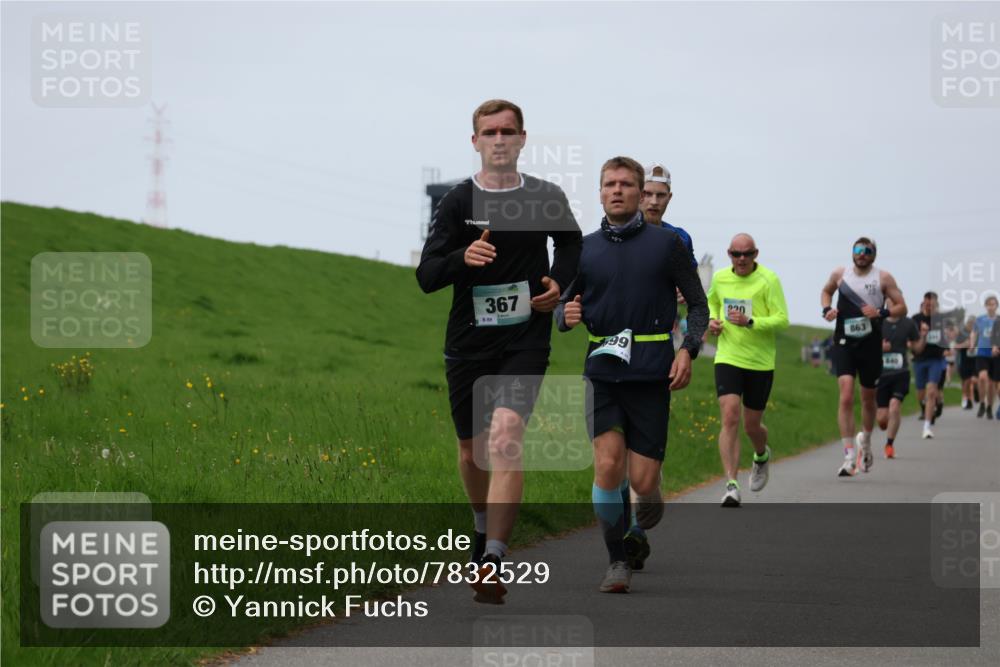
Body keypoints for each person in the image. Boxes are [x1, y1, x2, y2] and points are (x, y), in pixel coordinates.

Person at [415, 99, 582, 604]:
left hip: (525, 337)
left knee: (506, 438)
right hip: (468, 342)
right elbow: (427, 275)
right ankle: (480, 525)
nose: (499, 139)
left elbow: (571, 245)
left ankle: (492, 560)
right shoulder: (458, 202)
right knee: (472, 452)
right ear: (475, 142)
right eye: (489, 132)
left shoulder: (546, 196)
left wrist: (559, 285)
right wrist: (462, 257)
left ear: (523, 139)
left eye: (508, 131)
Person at [557, 156, 707, 593]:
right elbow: (562, 304)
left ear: (641, 194)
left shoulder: (667, 245)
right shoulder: (582, 248)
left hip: (651, 373)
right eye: (609, 184)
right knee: (607, 464)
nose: (617, 190)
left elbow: (699, 305)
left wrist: (688, 350)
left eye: (625, 184)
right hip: (601, 371)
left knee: (641, 480)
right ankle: (616, 561)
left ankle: (651, 490)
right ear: (600, 192)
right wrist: (564, 316)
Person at [706, 234, 789, 506]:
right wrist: (713, 320)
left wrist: (751, 321)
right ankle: (731, 485)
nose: (741, 259)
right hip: (728, 356)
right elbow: (712, 301)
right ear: (729, 254)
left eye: (747, 254)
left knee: (752, 426)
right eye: (736, 254)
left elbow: (782, 319)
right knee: (730, 415)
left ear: (756, 254)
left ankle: (761, 455)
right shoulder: (720, 278)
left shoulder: (769, 280)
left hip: (759, 362)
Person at [821, 237, 906, 477]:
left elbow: (902, 306)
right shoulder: (840, 274)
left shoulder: (883, 278)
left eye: (867, 251)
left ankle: (865, 443)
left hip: (870, 344)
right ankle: (849, 457)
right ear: (852, 252)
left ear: (874, 255)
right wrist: (827, 309)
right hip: (844, 342)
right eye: (858, 250)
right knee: (846, 395)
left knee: (868, 399)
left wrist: (881, 312)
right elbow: (826, 291)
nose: (862, 254)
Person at [875, 299, 921, 458]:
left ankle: (889, 444)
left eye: (897, 301)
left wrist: (920, 339)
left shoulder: (908, 324)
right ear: (886, 303)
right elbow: (866, 347)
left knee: (894, 406)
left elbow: (917, 348)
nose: (894, 304)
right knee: (882, 420)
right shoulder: (878, 322)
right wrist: (880, 348)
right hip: (881, 375)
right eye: (891, 301)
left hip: (901, 373)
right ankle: (886, 424)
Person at [911, 292, 949, 438]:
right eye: (927, 304)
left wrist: (947, 346)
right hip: (920, 359)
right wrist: (922, 334)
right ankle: (925, 407)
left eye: (932, 304)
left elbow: (947, 337)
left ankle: (927, 426)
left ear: (936, 304)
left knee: (931, 391)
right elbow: (912, 341)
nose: (929, 306)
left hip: (936, 359)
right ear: (924, 302)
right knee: (921, 393)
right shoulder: (916, 319)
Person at [971, 295, 999, 419]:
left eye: (993, 304)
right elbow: (974, 332)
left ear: (996, 306)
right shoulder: (980, 319)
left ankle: (989, 407)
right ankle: (982, 403)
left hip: (995, 354)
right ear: (986, 306)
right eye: (989, 304)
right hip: (982, 352)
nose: (991, 307)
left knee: (992, 383)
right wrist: (972, 344)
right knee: (982, 378)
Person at [955, 316, 977, 410]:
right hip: (964, 360)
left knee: (974, 380)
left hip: (976, 360)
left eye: (973, 323)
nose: (971, 325)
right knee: (966, 382)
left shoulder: (978, 333)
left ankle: (975, 392)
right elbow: (956, 346)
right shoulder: (961, 334)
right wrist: (965, 344)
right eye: (969, 323)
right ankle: (967, 399)